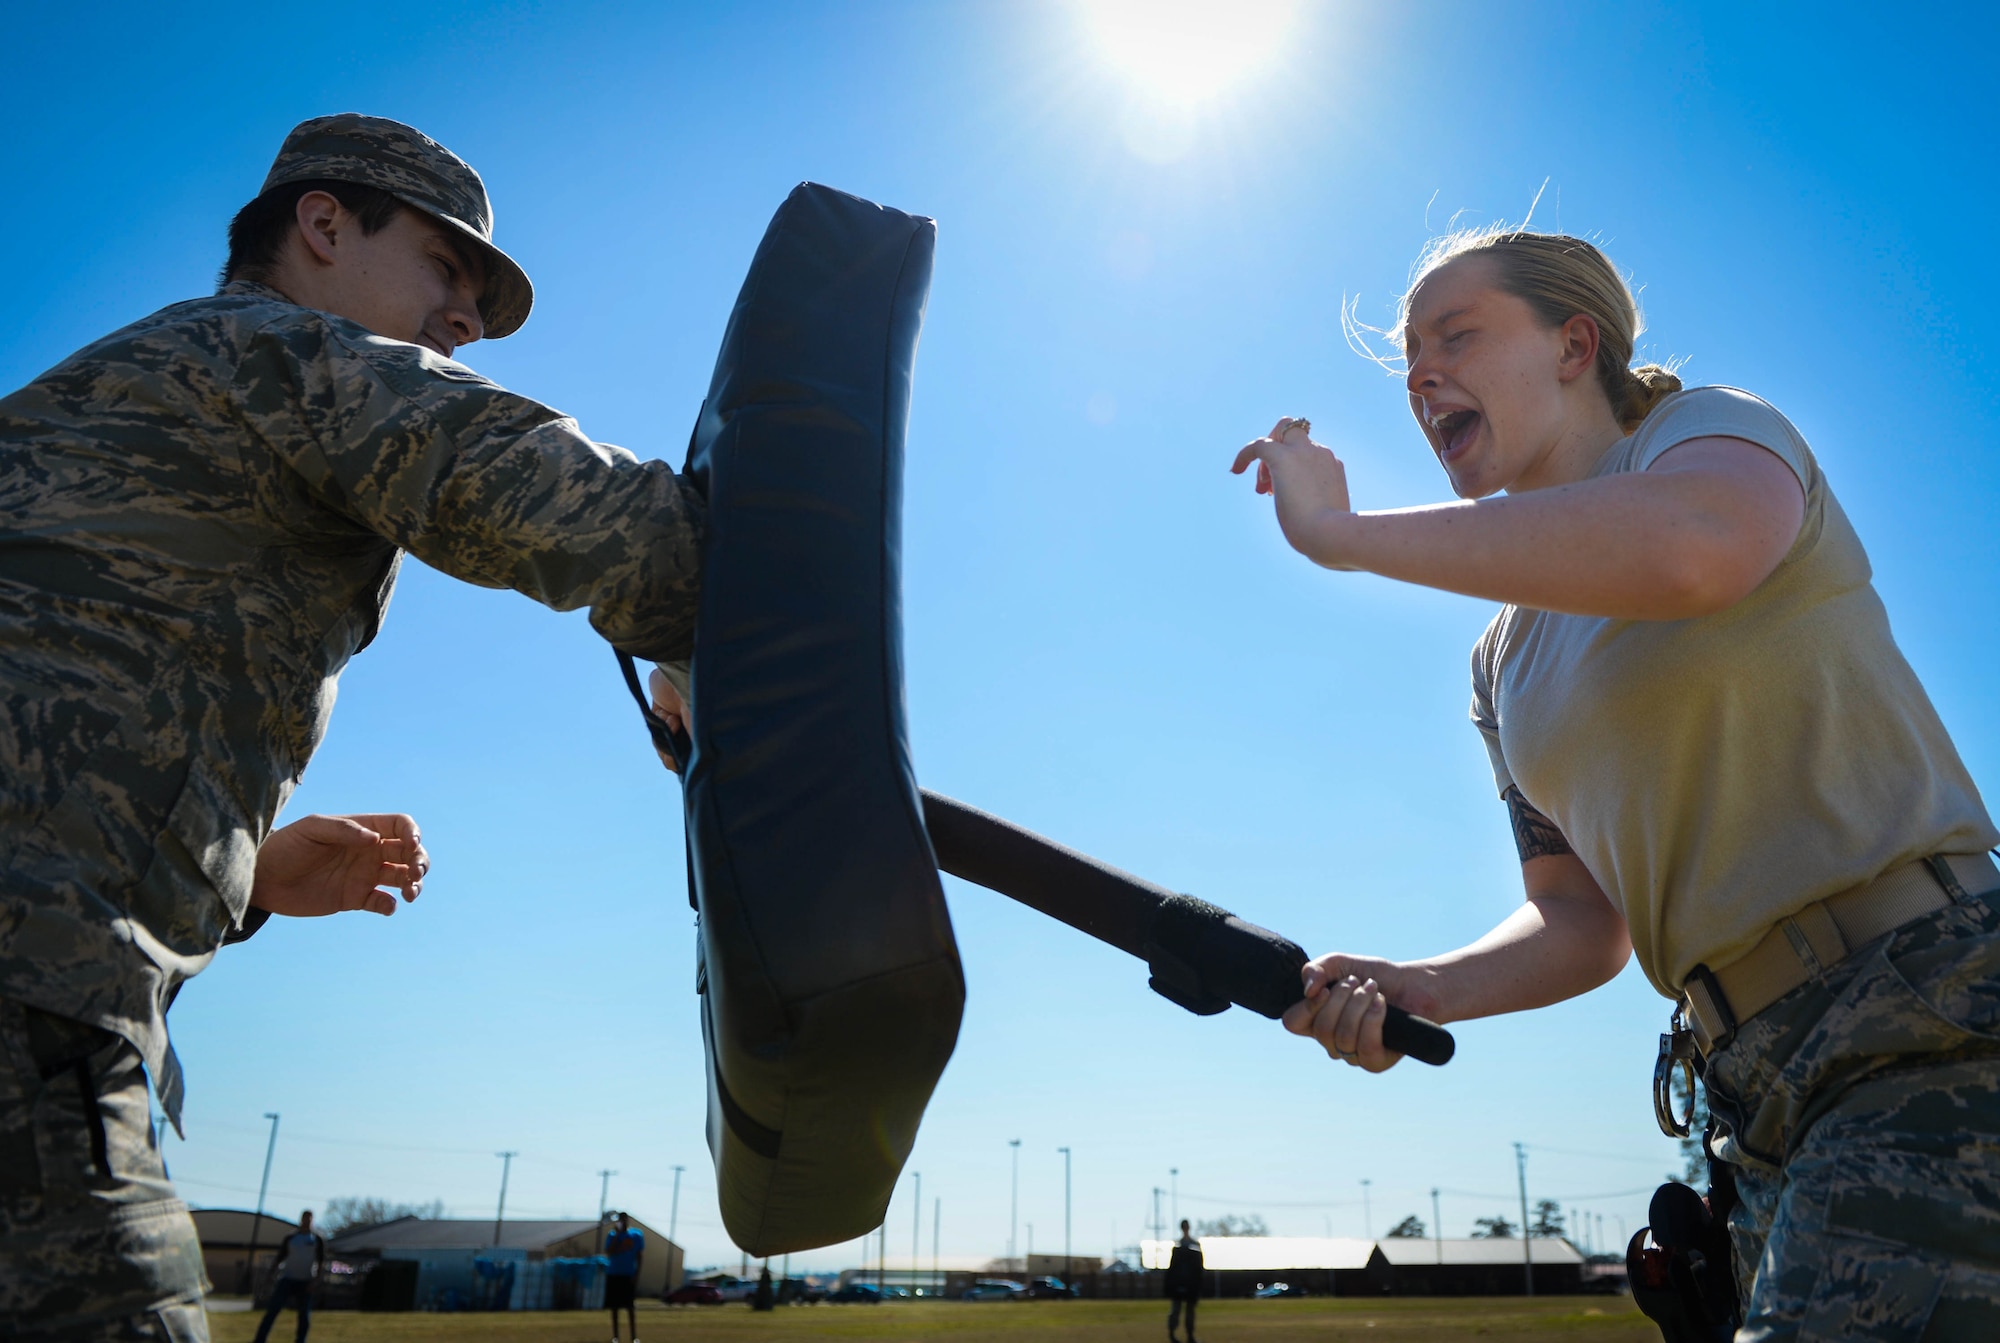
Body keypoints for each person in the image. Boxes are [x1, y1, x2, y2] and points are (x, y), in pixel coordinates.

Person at [0, 114, 704, 1339]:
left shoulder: (131, 389)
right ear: (322, 225)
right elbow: (587, 514)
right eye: (447, 266)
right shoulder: (271, 351)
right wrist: (702, 642)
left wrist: (242, 874)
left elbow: (66, 687)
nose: (466, 315)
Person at [1239, 227, 2000, 1339]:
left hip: (1925, 1009)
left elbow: (1696, 548)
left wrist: (1344, 536)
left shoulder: (1701, 433)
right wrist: (1423, 984)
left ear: (1572, 343)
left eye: (1454, 335)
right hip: (1746, 1089)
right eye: (1406, 359)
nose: (1418, 374)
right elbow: (1580, 916)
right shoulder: (1499, 660)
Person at [250, 1212, 323, 1343]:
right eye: (305, 1218)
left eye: (309, 1219)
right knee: (273, 1310)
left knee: (304, 1315)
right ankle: (260, 1339)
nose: (307, 1221)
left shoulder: (316, 1239)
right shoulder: (291, 1238)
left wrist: (316, 1281)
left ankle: (301, 1340)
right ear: (301, 1219)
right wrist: (271, 1274)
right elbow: (280, 1257)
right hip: (288, 1278)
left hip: (306, 1281)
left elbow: (321, 1261)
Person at [603, 1211, 644, 1342]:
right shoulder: (612, 1235)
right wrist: (617, 1235)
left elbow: (639, 1256)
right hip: (614, 1274)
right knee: (614, 1307)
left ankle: (633, 1336)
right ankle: (616, 1336)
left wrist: (637, 1274)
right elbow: (609, 1252)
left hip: (628, 1275)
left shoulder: (636, 1235)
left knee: (630, 1307)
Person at [1165, 1220, 1202, 1343]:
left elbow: (1199, 1267)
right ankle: (1172, 1333)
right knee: (1176, 1309)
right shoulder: (1177, 1246)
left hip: (1191, 1284)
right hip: (1178, 1283)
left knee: (1190, 1310)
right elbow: (1172, 1267)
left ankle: (1190, 1335)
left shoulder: (1195, 1245)